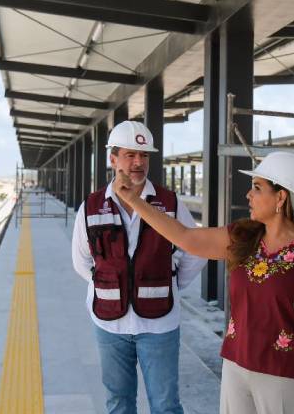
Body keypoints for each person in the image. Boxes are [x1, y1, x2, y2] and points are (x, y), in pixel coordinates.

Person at [113, 151, 294, 414]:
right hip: (235, 366)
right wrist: (132, 200)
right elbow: (185, 237)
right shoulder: (243, 236)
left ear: (281, 196)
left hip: (285, 375)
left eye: (257, 188)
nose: (248, 195)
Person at [71, 120, 207, 414]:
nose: (138, 162)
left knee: (166, 406)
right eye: (130, 155)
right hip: (109, 324)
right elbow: (81, 261)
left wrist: (169, 282)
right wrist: (110, 284)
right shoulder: (92, 206)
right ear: (113, 159)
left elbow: (196, 250)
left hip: (159, 324)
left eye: (144, 156)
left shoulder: (169, 203)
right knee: (118, 403)